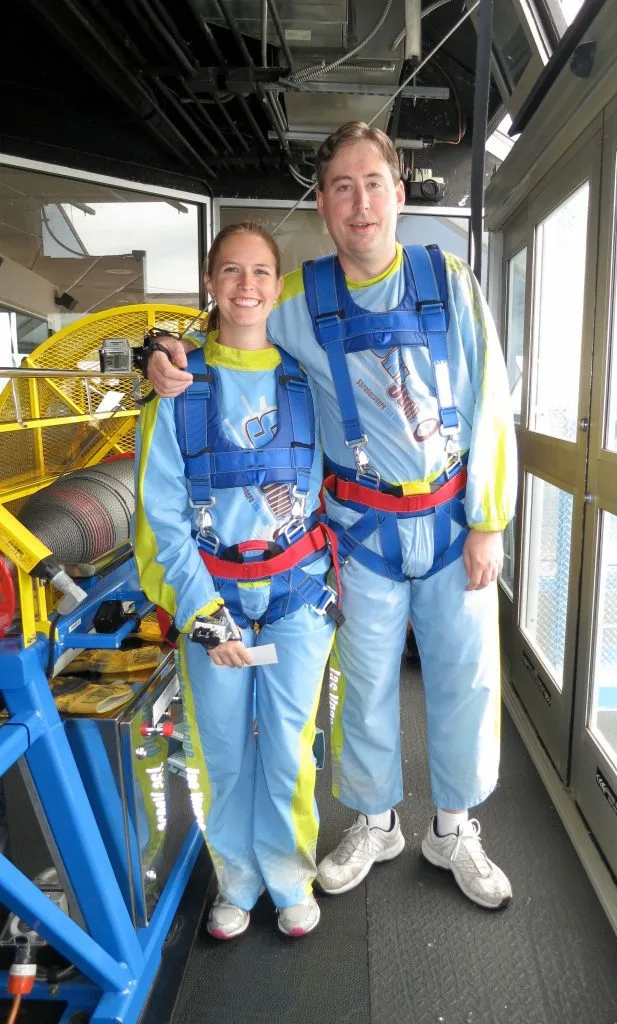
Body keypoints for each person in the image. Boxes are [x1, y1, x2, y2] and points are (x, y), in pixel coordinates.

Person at [145, 122, 518, 911]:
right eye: (341, 187)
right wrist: (162, 348)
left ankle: (453, 829)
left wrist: (490, 520)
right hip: (361, 534)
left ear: (398, 193)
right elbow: (229, 321)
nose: (360, 202)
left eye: (372, 184)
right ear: (322, 204)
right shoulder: (296, 297)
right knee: (367, 683)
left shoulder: (449, 281)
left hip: (454, 522)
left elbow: (491, 399)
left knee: (463, 680)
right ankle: (378, 821)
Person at [132, 222, 340, 940]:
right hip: (211, 602)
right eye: (231, 271)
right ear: (211, 285)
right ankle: (237, 880)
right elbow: (160, 515)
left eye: (260, 272)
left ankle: (287, 875)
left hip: (295, 598)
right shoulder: (175, 390)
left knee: (289, 747)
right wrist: (204, 614)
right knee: (219, 749)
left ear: (277, 286)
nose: (246, 286)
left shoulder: (308, 383)